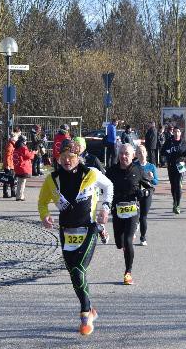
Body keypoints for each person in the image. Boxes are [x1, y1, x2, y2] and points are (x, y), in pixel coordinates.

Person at [38, 139, 113, 336]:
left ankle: (85, 314)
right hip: (66, 232)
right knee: (74, 274)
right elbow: (42, 202)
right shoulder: (52, 179)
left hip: (88, 229)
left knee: (79, 270)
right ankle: (90, 309)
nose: (66, 161)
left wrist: (105, 208)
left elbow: (109, 187)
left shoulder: (91, 173)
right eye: (62, 157)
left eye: (70, 157)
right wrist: (45, 215)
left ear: (78, 157)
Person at [106, 144, 153, 285]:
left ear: (133, 156)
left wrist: (144, 192)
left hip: (132, 209)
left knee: (127, 241)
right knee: (119, 243)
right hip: (117, 210)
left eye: (126, 153)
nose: (123, 156)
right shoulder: (112, 171)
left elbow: (150, 188)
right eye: (121, 153)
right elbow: (103, 187)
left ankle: (128, 272)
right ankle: (126, 243)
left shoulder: (138, 170)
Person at [74, 136, 108, 244]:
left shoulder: (92, 159)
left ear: (84, 147)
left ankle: (91, 238)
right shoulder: (71, 159)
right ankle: (99, 228)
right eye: (74, 145)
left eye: (78, 145)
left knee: (89, 216)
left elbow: (103, 173)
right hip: (76, 192)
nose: (76, 147)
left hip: (92, 193)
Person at [161, 127, 186, 214]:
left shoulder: (183, 142)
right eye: (175, 131)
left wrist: (185, 156)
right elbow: (162, 152)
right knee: (173, 186)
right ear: (173, 133)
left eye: (178, 131)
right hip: (171, 165)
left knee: (178, 185)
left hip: (180, 165)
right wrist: (168, 151)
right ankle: (175, 201)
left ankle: (178, 205)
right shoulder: (169, 141)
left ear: (180, 133)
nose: (176, 133)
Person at [134, 145, 158, 246]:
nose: (142, 154)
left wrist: (151, 178)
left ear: (146, 153)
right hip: (135, 193)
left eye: (143, 152)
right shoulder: (133, 165)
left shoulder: (151, 166)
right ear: (136, 154)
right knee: (134, 215)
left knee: (143, 216)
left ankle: (143, 238)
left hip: (147, 193)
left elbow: (156, 182)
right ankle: (134, 227)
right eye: (139, 152)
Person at [13, 135, 37, 201]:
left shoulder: (16, 147)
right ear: (23, 141)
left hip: (18, 166)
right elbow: (29, 156)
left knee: (20, 182)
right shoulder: (23, 147)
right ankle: (19, 196)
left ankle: (19, 195)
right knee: (22, 182)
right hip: (23, 167)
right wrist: (33, 152)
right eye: (26, 140)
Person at [2, 129, 19, 198]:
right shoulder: (10, 145)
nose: (17, 138)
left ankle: (13, 192)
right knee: (7, 179)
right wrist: (8, 165)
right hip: (9, 165)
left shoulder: (12, 144)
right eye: (16, 137)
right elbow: (7, 156)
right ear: (13, 137)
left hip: (12, 164)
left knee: (12, 179)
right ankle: (5, 193)